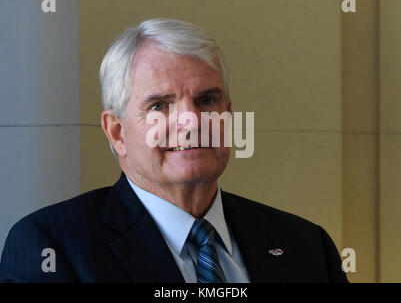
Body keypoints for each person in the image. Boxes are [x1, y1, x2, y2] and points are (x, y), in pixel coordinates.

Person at [0, 18, 348, 283]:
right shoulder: (51, 246)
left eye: (206, 101)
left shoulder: (307, 245)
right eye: (160, 105)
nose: (190, 122)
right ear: (117, 132)